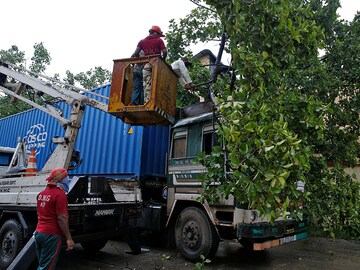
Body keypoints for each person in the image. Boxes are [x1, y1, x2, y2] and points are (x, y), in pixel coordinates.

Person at [34, 168, 74, 270]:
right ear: (61, 179)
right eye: (66, 178)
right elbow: (62, 218)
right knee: (46, 267)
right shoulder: (60, 195)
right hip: (51, 235)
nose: (68, 180)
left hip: (39, 233)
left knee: (42, 264)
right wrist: (69, 238)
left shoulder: (41, 193)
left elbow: (39, 213)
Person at [132, 25, 167, 104]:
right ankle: (157, 102)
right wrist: (163, 60)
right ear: (155, 33)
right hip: (157, 65)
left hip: (147, 65)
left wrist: (139, 61)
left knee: (147, 86)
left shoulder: (142, 41)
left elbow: (136, 53)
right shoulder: (159, 41)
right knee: (158, 84)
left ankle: (147, 103)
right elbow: (164, 51)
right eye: (158, 35)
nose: (159, 36)